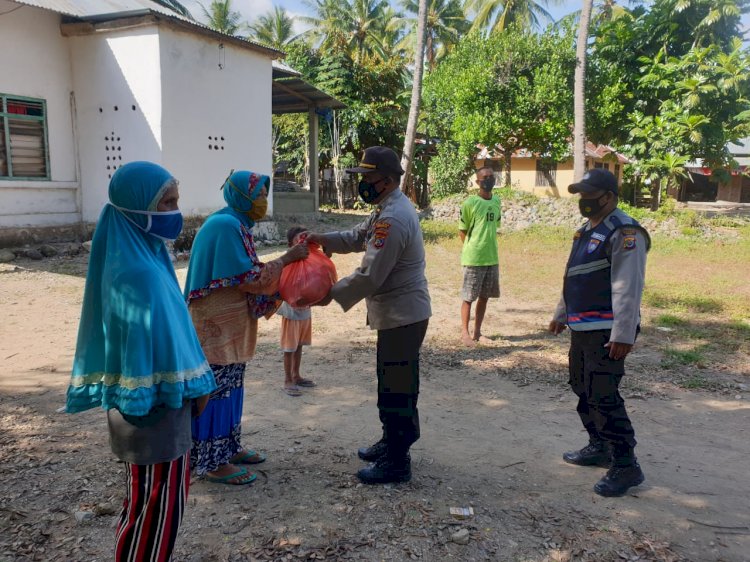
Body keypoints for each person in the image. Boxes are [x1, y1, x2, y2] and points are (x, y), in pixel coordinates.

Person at [65, 161, 217, 561]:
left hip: (163, 402)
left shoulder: (148, 258)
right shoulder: (136, 273)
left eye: (175, 202)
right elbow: (151, 349)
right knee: (157, 511)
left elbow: (175, 332)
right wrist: (197, 388)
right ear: (135, 208)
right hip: (152, 408)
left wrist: (198, 387)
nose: (175, 212)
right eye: (167, 203)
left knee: (150, 507)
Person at [306, 146, 431, 485]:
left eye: (367, 178)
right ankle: (391, 441)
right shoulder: (386, 208)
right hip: (397, 314)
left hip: (403, 315)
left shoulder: (394, 217)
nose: (362, 183)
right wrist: (323, 238)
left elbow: (370, 275)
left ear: (387, 180)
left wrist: (327, 294)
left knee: (398, 388)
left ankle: (397, 460)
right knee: (390, 383)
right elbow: (358, 236)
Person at [184, 170, 308, 485]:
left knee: (232, 385)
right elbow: (252, 280)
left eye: (265, 194)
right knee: (216, 391)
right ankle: (212, 462)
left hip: (229, 324)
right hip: (215, 326)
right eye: (259, 195)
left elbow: (249, 278)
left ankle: (228, 447)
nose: (264, 201)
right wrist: (289, 259)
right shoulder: (225, 226)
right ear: (242, 196)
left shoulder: (237, 224)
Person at [549, 168, 650, 497]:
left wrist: (623, 333)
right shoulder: (585, 231)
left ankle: (626, 464)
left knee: (604, 395)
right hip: (582, 328)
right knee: (582, 387)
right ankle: (599, 445)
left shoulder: (624, 232)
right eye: (581, 195)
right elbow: (573, 276)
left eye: (590, 195)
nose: (585, 201)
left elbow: (628, 287)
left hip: (607, 332)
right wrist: (561, 314)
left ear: (609, 197)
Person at [459, 166, 502, 346]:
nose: (489, 180)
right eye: (485, 177)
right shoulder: (470, 203)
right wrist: (472, 248)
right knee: (469, 297)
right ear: (477, 182)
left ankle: (477, 332)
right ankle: (465, 333)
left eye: (491, 177)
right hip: (474, 258)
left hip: (491, 257)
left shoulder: (497, 201)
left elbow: (496, 225)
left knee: (485, 296)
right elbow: (462, 230)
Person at [279, 226, 316, 397]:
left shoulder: (309, 260)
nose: (303, 243)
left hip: (305, 310)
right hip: (291, 312)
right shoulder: (288, 263)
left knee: (299, 344)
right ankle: (288, 379)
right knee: (290, 347)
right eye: (299, 240)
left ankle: (296, 375)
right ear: (290, 245)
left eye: (305, 239)